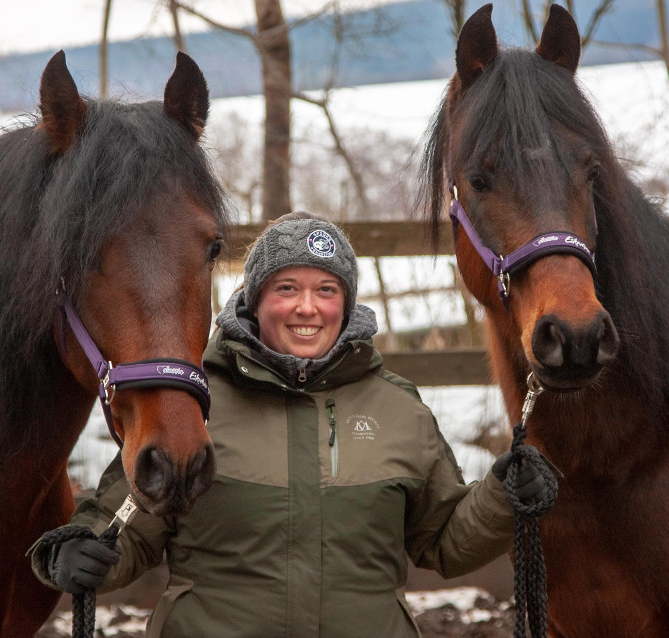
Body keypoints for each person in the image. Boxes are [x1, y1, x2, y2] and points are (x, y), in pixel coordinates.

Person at [29, 212, 553, 637]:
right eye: (286, 288)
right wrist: (78, 549)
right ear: (255, 300)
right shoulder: (193, 405)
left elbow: (442, 540)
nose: (308, 307)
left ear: (346, 304)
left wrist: (503, 496)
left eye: (326, 289)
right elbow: (127, 529)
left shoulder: (398, 408)